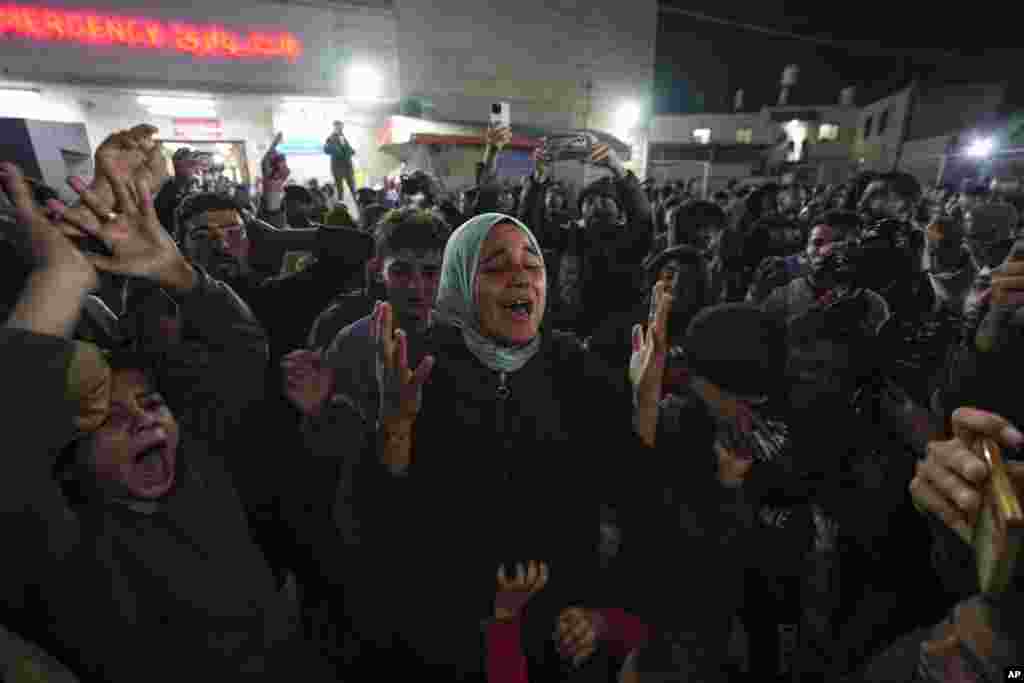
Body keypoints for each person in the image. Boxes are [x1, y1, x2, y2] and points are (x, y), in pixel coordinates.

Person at [0, 161, 334, 680]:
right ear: (71, 453)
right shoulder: (66, 554)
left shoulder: (202, 474)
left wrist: (177, 271)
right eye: (111, 417)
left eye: (153, 403)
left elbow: (240, 348)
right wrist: (60, 278)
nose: (142, 420)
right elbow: (9, 439)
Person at [333, 212, 667, 681]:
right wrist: (397, 424)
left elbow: (631, 497)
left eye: (532, 265)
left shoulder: (572, 365)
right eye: (495, 267)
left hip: (560, 631)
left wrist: (645, 402)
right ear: (459, 282)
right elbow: (372, 528)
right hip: (446, 634)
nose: (521, 278)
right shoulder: (416, 365)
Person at [324, 121, 357, 209]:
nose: (340, 128)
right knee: (340, 189)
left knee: (352, 188)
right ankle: (340, 209)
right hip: (338, 167)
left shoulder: (343, 137)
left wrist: (351, 151)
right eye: (338, 127)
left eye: (341, 127)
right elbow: (326, 149)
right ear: (335, 127)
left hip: (347, 166)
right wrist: (336, 150)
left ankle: (356, 206)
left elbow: (347, 149)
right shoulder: (331, 138)